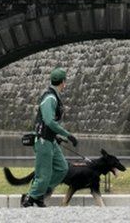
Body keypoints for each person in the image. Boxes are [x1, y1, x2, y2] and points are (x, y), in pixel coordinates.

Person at [21, 67, 78, 207]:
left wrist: (57, 136)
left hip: (51, 140)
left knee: (62, 168)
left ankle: (40, 193)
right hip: (43, 141)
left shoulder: (54, 96)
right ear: (63, 82)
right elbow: (49, 121)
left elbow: (50, 124)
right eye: (65, 81)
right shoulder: (50, 98)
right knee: (43, 173)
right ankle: (30, 198)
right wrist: (68, 134)